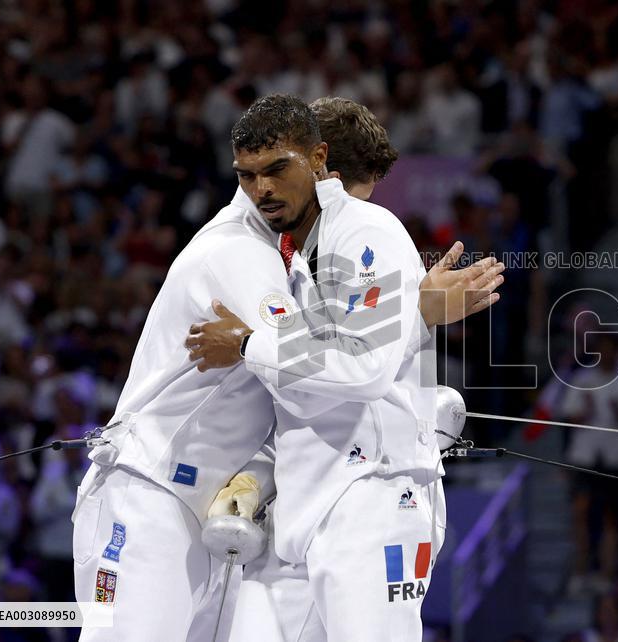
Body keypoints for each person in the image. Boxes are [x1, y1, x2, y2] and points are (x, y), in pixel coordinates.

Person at [71, 92, 504, 641]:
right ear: (324, 173)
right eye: (255, 175)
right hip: (161, 493)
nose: (344, 216)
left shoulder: (341, 238)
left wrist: (412, 317)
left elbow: (336, 373)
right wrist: (414, 316)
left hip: (361, 490)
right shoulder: (246, 254)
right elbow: (312, 379)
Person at [186, 95, 449, 640]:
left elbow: (365, 370)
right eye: (254, 175)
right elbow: (298, 392)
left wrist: (247, 343)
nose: (264, 191)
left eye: (277, 171)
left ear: (317, 162)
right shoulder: (294, 256)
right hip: (302, 505)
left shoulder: (369, 230)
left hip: (375, 491)